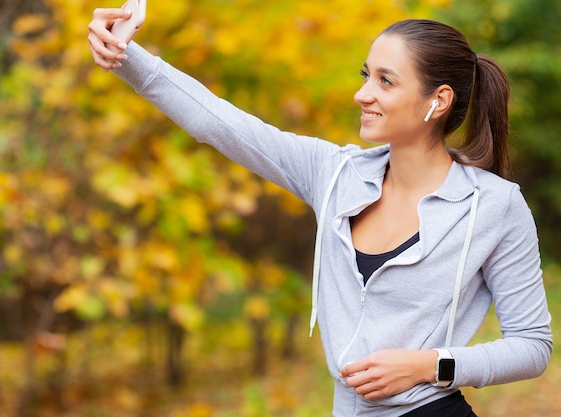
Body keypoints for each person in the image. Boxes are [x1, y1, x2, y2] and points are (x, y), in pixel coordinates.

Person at [88, 8, 553, 417]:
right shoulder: (333, 172)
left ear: (439, 100)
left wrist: (429, 364)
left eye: (385, 81)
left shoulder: (493, 206)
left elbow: (533, 346)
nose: (363, 94)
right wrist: (127, 53)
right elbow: (220, 122)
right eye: (364, 74)